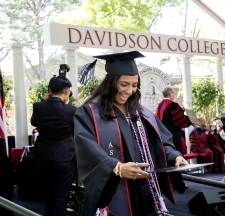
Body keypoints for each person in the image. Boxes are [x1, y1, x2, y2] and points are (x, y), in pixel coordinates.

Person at [73, 51, 189, 216]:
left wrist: (175, 155)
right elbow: (87, 149)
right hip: (113, 188)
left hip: (144, 186)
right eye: (124, 84)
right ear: (111, 82)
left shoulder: (141, 112)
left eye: (134, 85)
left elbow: (160, 140)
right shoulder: (90, 112)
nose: (129, 90)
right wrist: (117, 168)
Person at [30, 75, 77, 216]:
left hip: (43, 157)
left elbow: (34, 123)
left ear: (49, 90)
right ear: (67, 91)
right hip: (65, 158)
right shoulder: (72, 110)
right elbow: (76, 132)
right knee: (60, 199)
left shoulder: (38, 106)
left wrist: (44, 101)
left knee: (49, 196)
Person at [155, 86, 194, 153]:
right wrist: (191, 119)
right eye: (174, 93)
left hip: (162, 137)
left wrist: (181, 111)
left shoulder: (158, 106)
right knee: (175, 156)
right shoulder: (173, 105)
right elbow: (180, 122)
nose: (174, 94)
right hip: (172, 137)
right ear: (170, 94)